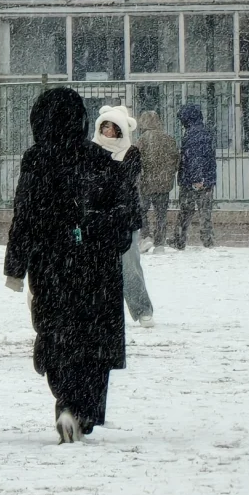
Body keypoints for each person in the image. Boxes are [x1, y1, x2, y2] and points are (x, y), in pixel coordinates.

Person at [5, 88, 139, 444]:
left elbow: (25, 214)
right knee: (93, 338)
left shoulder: (36, 159)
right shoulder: (98, 160)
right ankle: (85, 410)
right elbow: (125, 217)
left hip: (51, 263)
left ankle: (65, 400)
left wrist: (16, 266)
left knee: (56, 334)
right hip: (97, 266)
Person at [93, 105, 153, 328]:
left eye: (112, 126)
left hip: (124, 218)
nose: (107, 130)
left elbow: (124, 182)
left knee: (129, 267)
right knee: (96, 269)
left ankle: (142, 309)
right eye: (104, 126)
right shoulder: (91, 150)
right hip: (96, 218)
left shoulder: (131, 152)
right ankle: (98, 311)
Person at [175, 103, 217, 250]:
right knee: (205, 212)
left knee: (186, 211)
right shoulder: (204, 132)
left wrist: (196, 178)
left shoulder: (193, 134)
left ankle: (180, 239)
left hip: (192, 181)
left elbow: (195, 158)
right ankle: (208, 240)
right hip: (207, 179)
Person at [136, 110, 178, 252]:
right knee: (161, 214)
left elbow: (136, 161)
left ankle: (146, 236)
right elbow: (176, 160)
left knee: (142, 210)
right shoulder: (169, 139)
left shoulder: (142, 140)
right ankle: (160, 241)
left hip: (146, 183)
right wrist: (168, 173)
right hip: (164, 183)